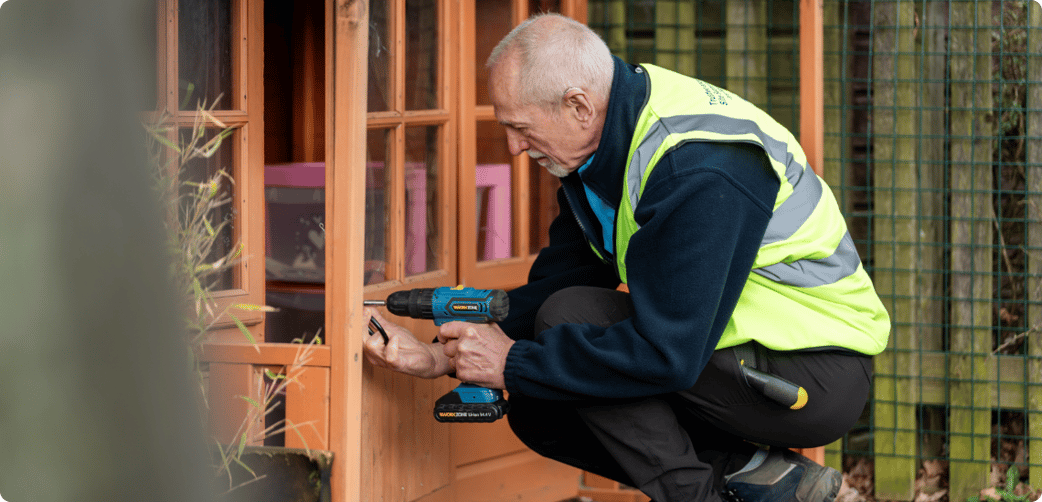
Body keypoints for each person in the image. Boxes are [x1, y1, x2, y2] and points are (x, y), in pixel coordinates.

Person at [363, 13, 890, 502]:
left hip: (814, 372)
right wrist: (443, 357)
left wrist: (514, 361)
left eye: (520, 128)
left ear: (578, 105)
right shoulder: (605, 148)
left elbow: (667, 353)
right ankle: (759, 474)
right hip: (732, 358)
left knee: (564, 329)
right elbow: (552, 287)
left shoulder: (698, 167)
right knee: (539, 398)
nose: (513, 148)